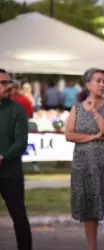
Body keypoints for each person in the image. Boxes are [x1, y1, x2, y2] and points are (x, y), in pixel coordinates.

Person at [65, 67, 104, 250]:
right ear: (87, 84)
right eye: (98, 80)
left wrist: (95, 114)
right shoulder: (76, 108)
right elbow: (69, 134)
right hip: (84, 165)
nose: (102, 84)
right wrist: (92, 137)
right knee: (89, 211)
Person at [0, 69, 32, 250]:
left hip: (11, 174)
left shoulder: (17, 109)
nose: (8, 86)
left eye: (9, 82)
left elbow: (21, 142)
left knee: (19, 216)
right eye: (3, 83)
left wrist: (3, 156)